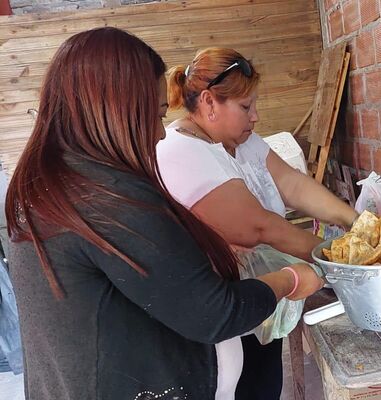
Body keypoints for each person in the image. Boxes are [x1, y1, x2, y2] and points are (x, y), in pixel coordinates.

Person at [5, 27, 323, 400]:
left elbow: (131, 278)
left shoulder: (50, 184)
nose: (158, 135)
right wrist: (291, 279)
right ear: (115, 109)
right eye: (154, 115)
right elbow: (214, 313)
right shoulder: (106, 196)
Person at [157, 48, 358, 399]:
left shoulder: (241, 143)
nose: (256, 117)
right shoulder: (180, 152)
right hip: (217, 315)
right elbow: (259, 227)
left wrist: (354, 219)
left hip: (260, 302)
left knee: (264, 385)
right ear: (209, 103)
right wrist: (341, 256)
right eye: (246, 107)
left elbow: (292, 184)